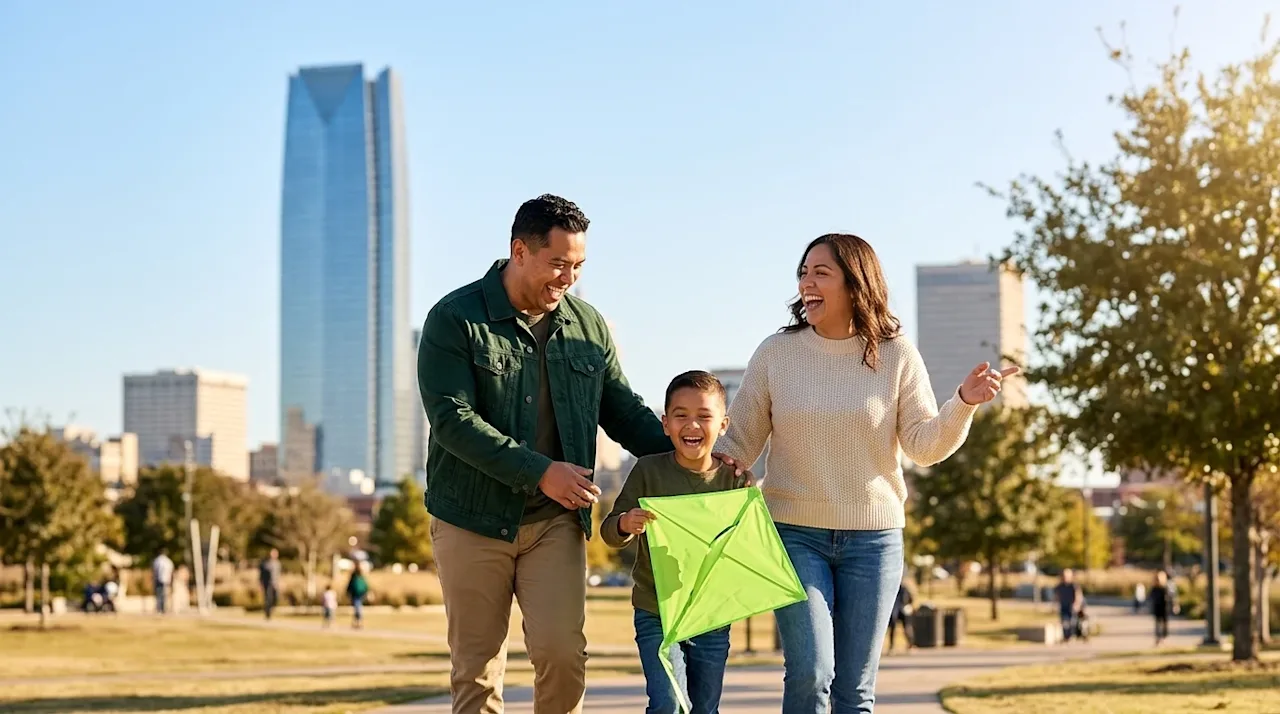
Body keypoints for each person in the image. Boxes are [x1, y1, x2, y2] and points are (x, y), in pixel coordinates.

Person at [417, 194, 748, 714]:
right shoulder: (455, 319)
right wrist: (540, 471)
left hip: (554, 522)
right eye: (558, 263)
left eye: (577, 266)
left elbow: (624, 413)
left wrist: (698, 453)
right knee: (478, 669)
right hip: (472, 519)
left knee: (563, 656)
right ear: (519, 250)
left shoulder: (587, 327)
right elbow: (452, 420)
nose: (567, 277)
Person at [714, 234, 1014, 712]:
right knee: (811, 673)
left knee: (855, 691)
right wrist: (690, 456)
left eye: (820, 273)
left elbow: (923, 445)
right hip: (794, 533)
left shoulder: (896, 354)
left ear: (855, 285)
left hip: (874, 542)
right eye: (803, 273)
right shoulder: (776, 353)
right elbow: (738, 444)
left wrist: (963, 404)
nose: (806, 283)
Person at [601, 371, 750, 714]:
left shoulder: (734, 480)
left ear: (723, 425)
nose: (692, 425)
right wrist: (625, 523)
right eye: (681, 416)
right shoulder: (647, 471)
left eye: (704, 417)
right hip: (656, 610)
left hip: (711, 615)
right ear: (665, 424)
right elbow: (609, 530)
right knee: (668, 703)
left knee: (703, 707)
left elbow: (744, 547)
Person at [1054, 569, 1083, 643]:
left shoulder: (1074, 586)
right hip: (1063, 606)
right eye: (1064, 576)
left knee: (1072, 622)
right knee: (1064, 622)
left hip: (1072, 606)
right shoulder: (1059, 586)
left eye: (1066, 576)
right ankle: (1066, 636)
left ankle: (1072, 636)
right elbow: (1056, 596)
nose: (1065, 577)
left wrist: (1077, 604)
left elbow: (1078, 595)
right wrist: (1055, 604)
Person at [886, 581, 915, 654]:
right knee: (903, 628)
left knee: (905, 627)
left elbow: (910, 599)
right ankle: (893, 647)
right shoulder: (902, 588)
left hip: (898, 610)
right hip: (898, 610)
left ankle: (909, 645)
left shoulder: (896, 589)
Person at [1150, 570, 1177, 645]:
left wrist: (1174, 605)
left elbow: (1172, 596)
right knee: (1158, 623)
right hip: (1157, 608)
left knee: (1164, 623)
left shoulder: (1166, 587)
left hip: (1164, 608)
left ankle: (1163, 637)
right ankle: (1158, 637)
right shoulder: (1154, 588)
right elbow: (1150, 597)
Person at [259, 549, 282, 620]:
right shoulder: (266, 563)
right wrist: (260, 583)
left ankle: (271, 610)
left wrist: (280, 582)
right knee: (268, 599)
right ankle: (267, 614)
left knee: (276, 598)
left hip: (275, 583)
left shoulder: (278, 563)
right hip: (268, 584)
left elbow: (279, 574)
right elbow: (262, 575)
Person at [346, 562, 369, 629]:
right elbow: (365, 585)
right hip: (360, 594)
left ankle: (357, 622)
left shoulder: (355, 576)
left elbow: (350, 585)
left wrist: (348, 592)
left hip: (356, 594)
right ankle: (358, 622)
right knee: (358, 608)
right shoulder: (360, 575)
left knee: (357, 608)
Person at [152, 549, 174, 615]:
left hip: (158, 579)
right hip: (166, 580)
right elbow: (171, 571)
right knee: (163, 595)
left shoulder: (157, 560)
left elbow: (154, 570)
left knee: (159, 595)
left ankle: (160, 609)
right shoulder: (168, 561)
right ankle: (162, 609)